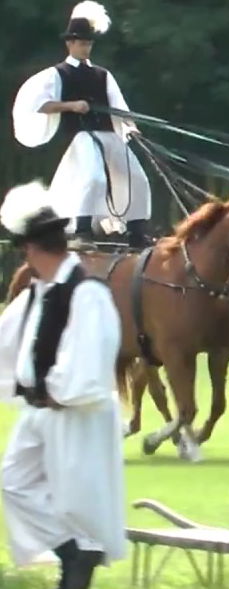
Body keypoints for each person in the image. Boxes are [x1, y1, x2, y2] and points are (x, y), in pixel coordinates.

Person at [0, 180, 126, 589]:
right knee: (14, 481)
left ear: (32, 249)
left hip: (76, 413)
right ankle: (73, 550)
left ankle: (78, 560)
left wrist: (55, 389)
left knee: (77, 502)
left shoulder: (86, 293)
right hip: (41, 411)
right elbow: (7, 341)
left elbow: (90, 363)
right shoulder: (39, 293)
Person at [10, 0, 153, 250]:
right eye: (81, 43)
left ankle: (137, 232)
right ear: (70, 43)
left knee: (136, 176)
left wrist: (129, 127)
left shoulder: (103, 74)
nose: (86, 47)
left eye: (89, 43)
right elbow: (38, 104)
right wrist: (71, 106)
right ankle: (82, 231)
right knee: (93, 177)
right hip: (81, 135)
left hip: (109, 134)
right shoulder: (58, 74)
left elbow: (119, 106)